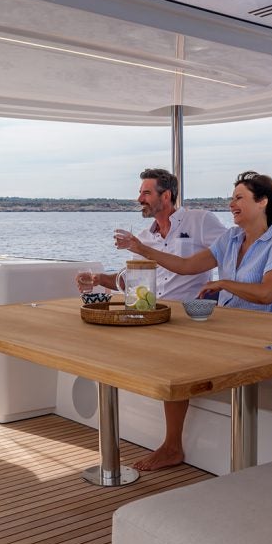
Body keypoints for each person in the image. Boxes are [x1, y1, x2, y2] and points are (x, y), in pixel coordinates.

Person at [80, 168, 226, 471]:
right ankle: (110, 433)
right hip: (153, 314)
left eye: (146, 193)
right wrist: (96, 278)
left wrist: (226, 292)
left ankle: (172, 447)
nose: (139, 199)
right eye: (140, 193)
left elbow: (232, 252)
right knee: (94, 338)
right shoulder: (145, 237)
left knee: (170, 359)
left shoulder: (200, 221)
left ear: (166, 195)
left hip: (188, 316)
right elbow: (130, 280)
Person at [116, 169, 272, 312]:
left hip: (264, 328)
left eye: (239, 198)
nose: (231, 204)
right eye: (232, 198)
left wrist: (222, 284)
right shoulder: (230, 239)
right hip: (228, 323)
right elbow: (186, 266)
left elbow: (268, 294)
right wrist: (141, 248)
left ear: (262, 202)